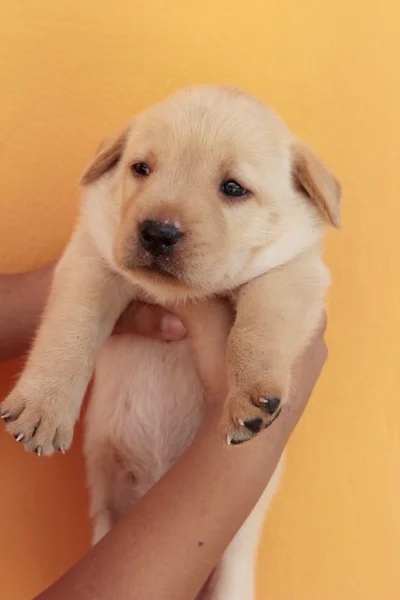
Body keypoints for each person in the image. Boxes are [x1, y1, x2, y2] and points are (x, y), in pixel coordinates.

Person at [0, 264, 327, 600]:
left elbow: (302, 272)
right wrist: (254, 449)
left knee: (228, 573)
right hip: (143, 500)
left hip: (193, 533)